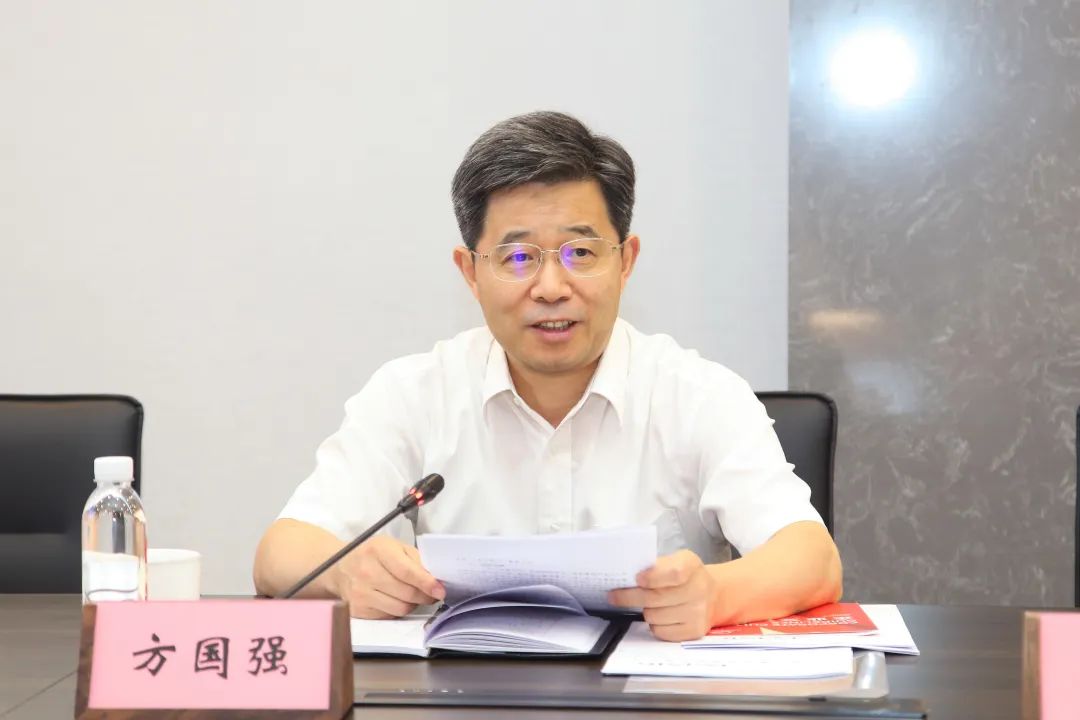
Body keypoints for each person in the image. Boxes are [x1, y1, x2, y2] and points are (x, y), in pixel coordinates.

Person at [253, 111, 842, 641]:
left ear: (626, 261)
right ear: (470, 273)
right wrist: (347, 575)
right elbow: (281, 555)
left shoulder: (699, 395)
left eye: (580, 253)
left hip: (651, 701)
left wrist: (716, 594)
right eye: (517, 258)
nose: (552, 288)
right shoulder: (413, 394)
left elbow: (812, 560)